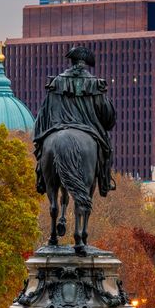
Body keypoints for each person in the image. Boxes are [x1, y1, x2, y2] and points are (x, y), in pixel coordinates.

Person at [34, 46, 116, 198]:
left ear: (71, 62)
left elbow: (43, 113)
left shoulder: (56, 82)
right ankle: (105, 182)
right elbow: (107, 115)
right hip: (88, 128)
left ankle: (41, 177)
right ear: (85, 63)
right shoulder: (95, 83)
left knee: (42, 149)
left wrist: (39, 137)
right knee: (107, 150)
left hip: (57, 126)